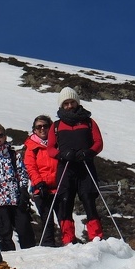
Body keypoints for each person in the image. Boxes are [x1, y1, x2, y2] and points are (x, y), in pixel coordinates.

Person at [47, 87, 104, 245]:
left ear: (77, 102)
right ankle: (68, 239)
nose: (69, 105)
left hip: (85, 166)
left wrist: (88, 152)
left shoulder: (89, 122)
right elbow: (50, 148)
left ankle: (96, 237)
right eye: (66, 103)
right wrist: (62, 154)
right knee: (65, 201)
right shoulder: (56, 126)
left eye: (72, 102)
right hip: (65, 167)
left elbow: (98, 142)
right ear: (62, 105)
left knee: (88, 200)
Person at [0, 124, 36, 251]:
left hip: (16, 199)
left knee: (25, 230)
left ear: (5, 136)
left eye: (0, 135)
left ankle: (31, 256)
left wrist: (24, 191)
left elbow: (22, 174)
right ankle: (9, 260)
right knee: (4, 234)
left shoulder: (14, 155)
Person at [23, 115, 60, 247]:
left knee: (64, 218)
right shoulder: (31, 147)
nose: (42, 129)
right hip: (41, 189)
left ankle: (70, 243)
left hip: (59, 187)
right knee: (47, 220)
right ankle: (48, 246)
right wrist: (39, 183)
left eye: (45, 126)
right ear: (34, 130)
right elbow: (30, 166)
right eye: (39, 127)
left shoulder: (58, 143)